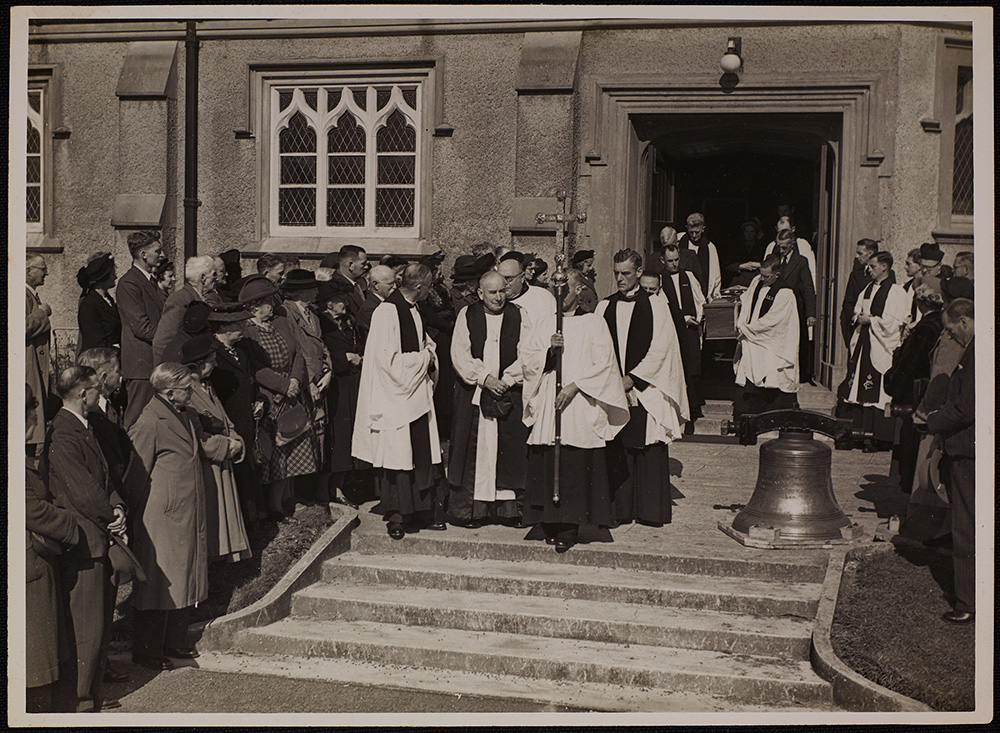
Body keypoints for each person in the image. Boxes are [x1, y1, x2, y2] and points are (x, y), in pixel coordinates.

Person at [127, 363, 240, 669]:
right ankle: (149, 652)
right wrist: (130, 515)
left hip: (184, 512)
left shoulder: (185, 414)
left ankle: (174, 644)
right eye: (187, 389)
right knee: (158, 584)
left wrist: (227, 446)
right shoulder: (150, 421)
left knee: (184, 579)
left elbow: (199, 445)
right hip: (160, 515)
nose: (193, 392)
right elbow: (135, 473)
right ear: (169, 391)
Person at [521, 268, 630, 551]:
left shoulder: (593, 323)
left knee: (575, 464)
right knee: (548, 459)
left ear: (579, 290)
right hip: (549, 400)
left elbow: (605, 364)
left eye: (565, 289)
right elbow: (527, 358)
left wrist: (574, 386)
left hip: (580, 401)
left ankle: (569, 528)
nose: (559, 296)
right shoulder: (544, 322)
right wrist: (548, 352)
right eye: (554, 290)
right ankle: (550, 522)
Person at [45, 366, 127, 711]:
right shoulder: (63, 433)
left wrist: (118, 507)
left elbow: (104, 479)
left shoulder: (84, 427)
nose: (100, 394)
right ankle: (80, 699)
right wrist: (112, 518)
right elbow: (82, 490)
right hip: (85, 540)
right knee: (86, 623)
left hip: (98, 533)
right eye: (96, 389)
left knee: (98, 619)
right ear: (82, 393)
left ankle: (91, 692)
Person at [352, 263, 448, 539]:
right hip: (395, 398)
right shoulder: (387, 312)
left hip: (415, 394)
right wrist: (425, 358)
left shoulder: (413, 310)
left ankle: (421, 511)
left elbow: (424, 343)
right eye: (429, 286)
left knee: (419, 454)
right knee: (399, 456)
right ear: (419, 287)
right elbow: (388, 363)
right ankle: (397, 515)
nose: (431, 292)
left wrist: (429, 353)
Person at [596, 250, 688, 527]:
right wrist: (613, 381)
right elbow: (598, 348)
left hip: (646, 387)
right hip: (614, 387)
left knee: (647, 445)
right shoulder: (604, 306)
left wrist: (632, 379)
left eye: (625, 273)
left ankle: (649, 511)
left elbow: (661, 348)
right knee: (617, 446)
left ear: (638, 273)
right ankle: (620, 510)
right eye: (616, 273)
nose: (620, 278)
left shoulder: (656, 305)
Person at [449, 271, 530, 528]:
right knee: (476, 450)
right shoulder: (468, 315)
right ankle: (473, 511)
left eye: (502, 291)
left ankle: (510, 511)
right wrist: (485, 378)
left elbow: (528, 352)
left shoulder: (519, 315)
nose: (498, 297)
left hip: (509, 391)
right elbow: (459, 353)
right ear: (480, 293)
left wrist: (507, 379)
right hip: (477, 392)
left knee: (510, 450)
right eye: (492, 292)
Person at [239, 276, 319, 520]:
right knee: (277, 452)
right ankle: (273, 505)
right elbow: (255, 366)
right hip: (272, 396)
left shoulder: (281, 322)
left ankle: (287, 497)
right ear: (253, 307)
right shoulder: (247, 330)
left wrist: (295, 381)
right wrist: (283, 385)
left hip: (292, 395)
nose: (271, 306)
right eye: (265, 303)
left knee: (295, 447)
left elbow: (297, 354)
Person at [915, 299, 974, 624]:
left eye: (952, 330)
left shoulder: (977, 350)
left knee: (965, 526)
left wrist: (932, 423)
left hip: (968, 450)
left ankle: (966, 602)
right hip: (970, 445)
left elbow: (966, 408)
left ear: (964, 321)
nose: (952, 336)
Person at [25, 383, 81, 714]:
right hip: (28, 572)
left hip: (32, 568)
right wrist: (71, 525)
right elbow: (33, 509)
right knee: (34, 670)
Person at [182, 336, 251, 563]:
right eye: (212, 360)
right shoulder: (188, 393)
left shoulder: (207, 387)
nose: (217, 364)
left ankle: (222, 557)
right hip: (208, 466)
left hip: (222, 460)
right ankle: (211, 560)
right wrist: (226, 445)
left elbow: (225, 420)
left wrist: (236, 439)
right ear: (198, 364)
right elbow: (196, 434)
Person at [836, 251, 909, 449]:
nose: (868, 270)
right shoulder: (867, 288)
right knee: (857, 384)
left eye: (873, 266)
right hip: (864, 343)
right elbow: (857, 309)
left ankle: (878, 437)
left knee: (876, 388)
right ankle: (859, 433)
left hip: (880, 345)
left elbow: (894, 323)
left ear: (885, 267)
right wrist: (858, 317)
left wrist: (871, 320)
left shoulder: (896, 291)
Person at [884, 278, 944, 496]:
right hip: (922, 395)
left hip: (914, 397)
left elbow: (909, 366)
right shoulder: (938, 323)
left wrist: (892, 382)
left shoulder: (926, 328)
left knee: (911, 455)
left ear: (921, 302)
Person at [207, 302, 265, 524]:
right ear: (223, 328)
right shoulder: (214, 355)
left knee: (248, 468)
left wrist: (259, 400)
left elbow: (251, 382)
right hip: (228, 421)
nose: (243, 326)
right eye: (238, 323)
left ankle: (252, 518)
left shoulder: (241, 351)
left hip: (247, 420)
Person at [281, 269, 333, 503]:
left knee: (318, 435)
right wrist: (308, 382)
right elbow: (297, 351)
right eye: (312, 288)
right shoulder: (287, 313)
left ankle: (309, 491)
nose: (316, 291)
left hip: (319, 381)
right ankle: (296, 495)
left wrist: (328, 370)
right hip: (304, 384)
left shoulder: (313, 314)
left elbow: (321, 347)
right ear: (300, 291)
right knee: (300, 436)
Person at [732, 255, 800, 419]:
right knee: (748, 379)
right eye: (761, 274)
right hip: (752, 340)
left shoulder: (785, 293)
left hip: (769, 344)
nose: (762, 278)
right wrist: (742, 324)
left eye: (766, 276)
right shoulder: (757, 282)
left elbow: (774, 321)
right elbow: (746, 301)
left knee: (771, 378)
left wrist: (749, 329)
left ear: (777, 274)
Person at [317, 280, 364, 509]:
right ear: (328, 304)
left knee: (347, 436)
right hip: (335, 386)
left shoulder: (348, 322)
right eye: (339, 300)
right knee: (336, 437)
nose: (344, 303)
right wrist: (344, 358)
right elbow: (321, 353)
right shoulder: (321, 324)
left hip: (352, 385)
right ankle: (330, 489)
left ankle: (342, 485)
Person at [117, 230, 167, 428]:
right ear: (143, 254)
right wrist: (169, 340)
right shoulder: (129, 283)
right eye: (158, 251)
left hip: (151, 362)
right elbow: (141, 327)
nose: (161, 255)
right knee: (136, 420)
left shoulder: (149, 281)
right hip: (141, 365)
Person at [660, 243, 706, 432]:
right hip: (673, 329)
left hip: (690, 330)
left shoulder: (688, 276)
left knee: (693, 366)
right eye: (670, 261)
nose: (674, 264)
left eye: (676, 260)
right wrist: (681, 318)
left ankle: (693, 409)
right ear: (663, 260)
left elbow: (700, 299)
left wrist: (699, 317)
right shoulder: (660, 279)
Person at [152, 255, 217, 365]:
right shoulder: (180, 299)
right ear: (203, 278)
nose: (217, 278)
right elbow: (162, 341)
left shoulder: (203, 298)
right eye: (214, 274)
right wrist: (164, 373)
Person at [773, 227, 818, 383]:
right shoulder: (774, 259)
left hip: (794, 309)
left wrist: (811, 314)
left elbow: (808, 289)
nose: (781, 249)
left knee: (794, 342)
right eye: (779, 246)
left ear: (792, 244)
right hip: (776, 309)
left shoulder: (801, 261)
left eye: (784, 247)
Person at [498, 252, 557, 348]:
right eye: (500, 278)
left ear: (521, 277)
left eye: (508, 279)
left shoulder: (543, 297)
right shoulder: (494, 301)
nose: (503, 283)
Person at [27, 254, 54, 455]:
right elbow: (21, 326)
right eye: (42, 269)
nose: (46, 273)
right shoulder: (21, 294)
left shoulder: (31, 295)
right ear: (28, 270)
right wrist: (42, 312)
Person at [77, 253, 122, 353]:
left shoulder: (108, 299)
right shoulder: (89, 304)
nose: (115, 277)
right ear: (103, 277)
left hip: (111, 358)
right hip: (99, 360)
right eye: (112, 273)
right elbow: (96, 342)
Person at [839, 238, 878, 349]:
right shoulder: (856, 274)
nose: (857, 257)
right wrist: (854, 318)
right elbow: (848, 301)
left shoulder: (884, 275)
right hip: (855, 327)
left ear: (870, 253)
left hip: (873, 330)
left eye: (860, 253)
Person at [677, 213, 722, 302]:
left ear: (703, 229)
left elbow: (716, 274)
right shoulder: (679, 240)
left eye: (697, 232)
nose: (693, 236)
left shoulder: (709, 247)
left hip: (702, 291)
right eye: (691, 232)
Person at [763, 216, 817, 289]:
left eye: (786, 231)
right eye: (780, 232)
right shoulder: (771, 246)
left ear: (793, 229)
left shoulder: (802, 244)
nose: (783, 235)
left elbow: (811, 270)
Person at [725, 218, 768, 289]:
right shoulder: (736, 246)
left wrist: (758, 265)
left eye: (752, 231)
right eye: (746, 231)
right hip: (739, 280)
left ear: (756, 233)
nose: (749, 234)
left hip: (755, 280)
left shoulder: (761, 246)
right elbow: (728, 267)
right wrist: (741, 266)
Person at [328, 245, 370, 317]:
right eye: (363, 264)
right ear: (351, 265)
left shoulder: (359, 283)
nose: (366, 267)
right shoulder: (335, 286)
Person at [658, 227, 704, 291]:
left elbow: (700, 283)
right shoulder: (653, 260)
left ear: (677, 242)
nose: (669, 248)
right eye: (665, 246)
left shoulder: (690, 255)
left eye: (672, 245)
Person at [357, 264, 397, 337]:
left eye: (395, 283)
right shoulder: (369, 309)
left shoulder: (387, 303)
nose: (394, 287)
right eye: (390, 284)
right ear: (376, 285)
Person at [900, 248, 923, 330]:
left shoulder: (927, 286)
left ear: (920, 266)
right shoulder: (906, 287)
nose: (905, 267)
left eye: (908, 264)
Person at [570, 249, 599, 314]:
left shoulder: (588, 279)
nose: (591, 268)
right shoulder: (574, 279)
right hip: (582, 314)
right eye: (588, 265)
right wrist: (588, 310)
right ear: (580, 265)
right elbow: (576, 299)